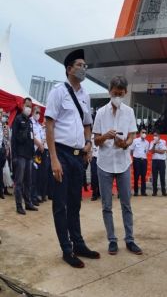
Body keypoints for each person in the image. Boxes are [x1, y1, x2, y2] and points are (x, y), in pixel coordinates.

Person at [45, 48, 100, 268]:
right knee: (61, 205)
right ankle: (66, 250)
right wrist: (54, 159)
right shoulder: (58, 91)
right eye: (80, 65)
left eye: (85, 66)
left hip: (79, 157)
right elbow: (49, 125)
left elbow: (87, 124)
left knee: (75, 204)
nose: (84, 68)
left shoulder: (85, 94)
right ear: (69, 69)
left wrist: (89, 143)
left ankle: (78, 244)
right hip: (62, 154)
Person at [92, 75, 142, 256]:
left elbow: (132, 135)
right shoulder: (100, 113)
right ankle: (112, 240)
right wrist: (105, 136)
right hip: (104, 163)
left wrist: (126, 143)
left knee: (126, 203)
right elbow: (96, 140)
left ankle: (129, 239)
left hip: (123, 162)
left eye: (121, 94)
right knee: (107, 205)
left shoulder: (129, 112)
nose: (117, 97)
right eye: (115, 93)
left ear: (126, 93)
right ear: (109, 92)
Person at [11, 97, 37, 214]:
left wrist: (33, 155)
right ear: (22, 105)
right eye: (27, 105)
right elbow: (13, 139)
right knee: (19, 181)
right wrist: (14, 156)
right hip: (20, 155)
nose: (28, 108)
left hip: (29, 156)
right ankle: (18, 205)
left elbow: (31, 139)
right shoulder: (18, 119)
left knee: (28, 181)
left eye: (30, 106)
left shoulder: (30, 122)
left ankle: (28, 203)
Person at [31, 106, 46, 205]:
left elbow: (42, 137)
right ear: (33, 112)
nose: (38, 114)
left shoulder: (39, 125)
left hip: (39, 152)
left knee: (38, 174)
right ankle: (32, 197)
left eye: (39, 113)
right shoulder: (30, 122)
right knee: (32, 175)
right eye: (37, 112)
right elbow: (31, 136)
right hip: (32, 151)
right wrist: (40, 144)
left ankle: (36, 195)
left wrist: (42, 143)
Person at [130, 129, 149, 196]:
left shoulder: (147, 142)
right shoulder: (135, 140)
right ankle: (136, 191)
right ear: (140, 133)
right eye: (143, 132)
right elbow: (131, 150)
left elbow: (146, 152)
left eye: (145, 132)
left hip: (143, 160)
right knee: (136, 176)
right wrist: (134, 157)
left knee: (143, 176)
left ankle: (143, 192)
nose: (144, 133)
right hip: (136, 160)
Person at [149, 130, 167, 196]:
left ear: (159, 136)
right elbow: (151, 151)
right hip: (154, 161)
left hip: (162, 161)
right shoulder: (152, 142)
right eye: (154, 135)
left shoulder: (163, 141)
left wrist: (155, 150)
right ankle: (154, 191)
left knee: (162, 176)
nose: (154, 137)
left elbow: (163, 152)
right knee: (154, 177)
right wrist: (154, 144)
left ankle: (163, 191)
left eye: (156, 135)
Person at [90, 136, 99, 201]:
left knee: (102, 175)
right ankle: (94, 193)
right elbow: (90, 146)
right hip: (94, 157)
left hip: (103, 157)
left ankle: (100, 192)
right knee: (94, 175)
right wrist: (89, 155)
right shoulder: (92, 136)